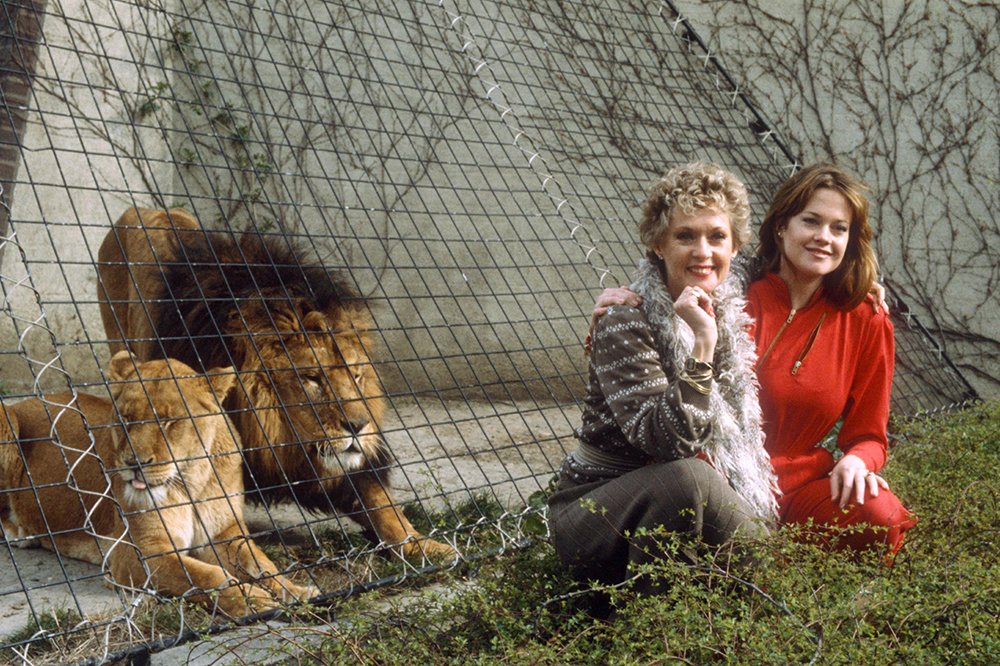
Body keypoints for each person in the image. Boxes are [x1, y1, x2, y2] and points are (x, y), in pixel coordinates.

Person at [588, 163, 915, 557]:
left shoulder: (866, 317)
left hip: (799, 484)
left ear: (852, 238)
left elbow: (870, 434)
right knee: (729, 540)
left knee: (881, 516)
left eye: (838, 228)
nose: (823, 238)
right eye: (811, 221)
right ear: (782, 226)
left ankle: (819, 593)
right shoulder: (731, 293)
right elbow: (669, 301)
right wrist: (613, 317)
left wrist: (858, 461)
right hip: (715, 478)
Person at [547, 162, 779, 597]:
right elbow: (668, 442)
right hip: (595, 512)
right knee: (687, 479)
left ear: (736, 245)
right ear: (657, 243)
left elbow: (801, 261)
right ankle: (646, 631)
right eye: (685, 236)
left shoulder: (729, 306)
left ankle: (679, 625)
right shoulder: (624, 320)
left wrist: (864, 285)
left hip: (667, 514)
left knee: (745, 545)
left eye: (717, 236)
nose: (703, 251)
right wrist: (702, 347)